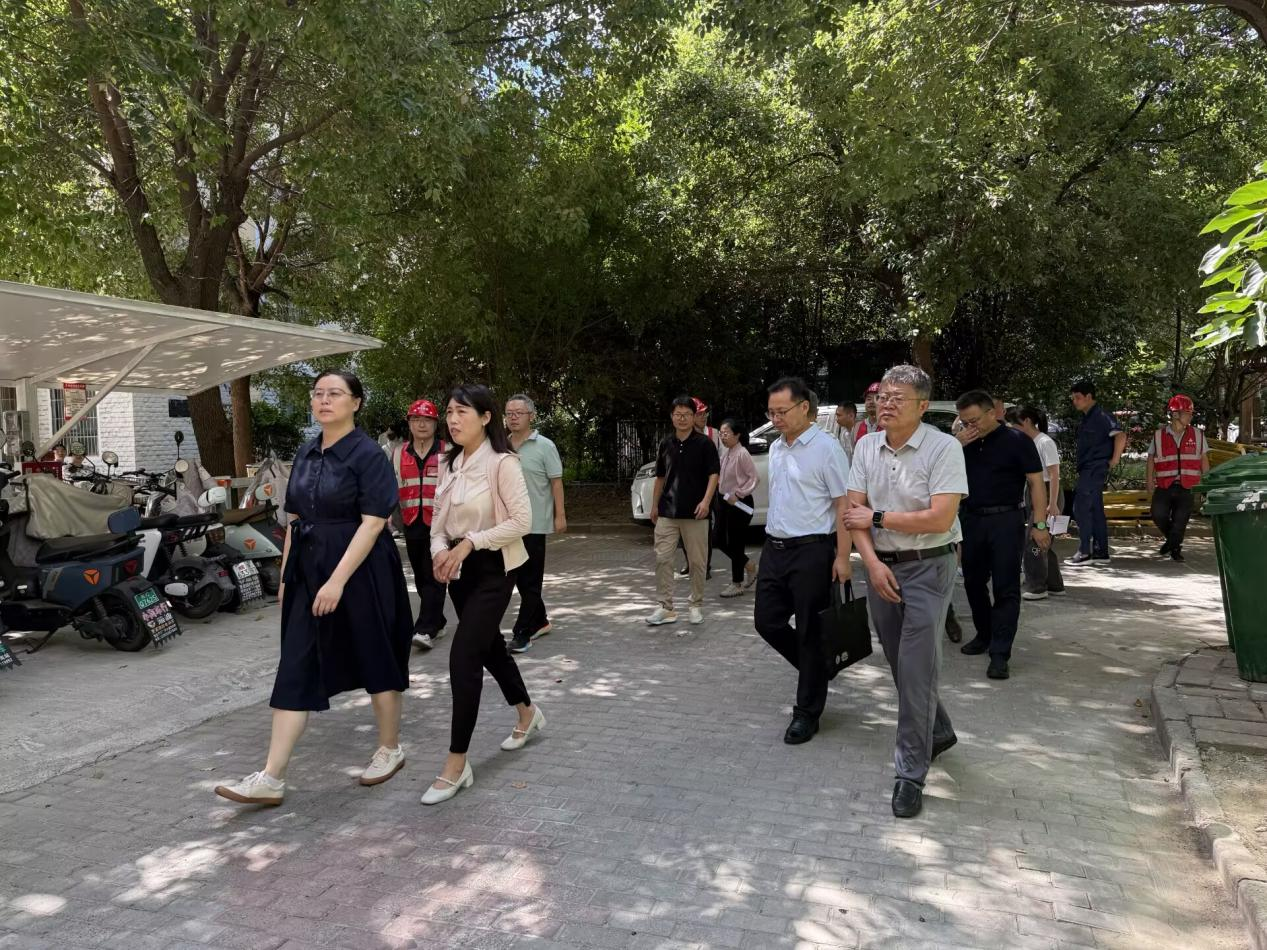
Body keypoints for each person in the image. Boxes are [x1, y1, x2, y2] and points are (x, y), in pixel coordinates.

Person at [214, 371, 414, 806]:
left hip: (362, 569)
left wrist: (338, 581)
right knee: (296, 663)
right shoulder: (306, 451)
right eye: (318, 393)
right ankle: (272, 777)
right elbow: (296, 519)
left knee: (375, 652)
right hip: (309, 569)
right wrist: (288, 577)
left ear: (356, 403)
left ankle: (390, 747)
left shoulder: (368, 455)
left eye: (335, 393)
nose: (324, 400)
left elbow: (373, 523)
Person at [843, 364, 966, 819]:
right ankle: (940, 730)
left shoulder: (944, 447)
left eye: (898, 398)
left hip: (929, 567)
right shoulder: (866, 445)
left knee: (916, 669)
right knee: (901, 663)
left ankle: (910, 773)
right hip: (882, 568)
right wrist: (872, 563)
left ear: (922, 405)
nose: (887, 405)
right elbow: (852, 513)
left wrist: (878, 518)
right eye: (883, 397)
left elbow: (939, 518)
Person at [423, 384, 542, 805]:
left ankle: (457, 763)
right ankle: (527, 712)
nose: (453, 420)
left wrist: (470, 543)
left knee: (464, 657)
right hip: (459, 571)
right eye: (449, 412)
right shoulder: (449, 462)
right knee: (490, 648)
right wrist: (440, 551)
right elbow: (437, 522)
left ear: (486, 417)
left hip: (494, 569)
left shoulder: (502, 463)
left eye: (462, 412)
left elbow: (522, 521)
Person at [754, 377, 852, 745]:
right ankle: (819, 668)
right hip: (775, 548)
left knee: (811, 630)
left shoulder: (827, 449)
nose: (775, 418)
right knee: (767, 621)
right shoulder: (777, 448)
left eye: (782, 411)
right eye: (771, 412)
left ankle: (807, 712)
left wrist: (842, 556)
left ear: (804, 407)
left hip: (812, 550)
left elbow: (843, 504)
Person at [952, 391, 1049, 680]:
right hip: (971, 519)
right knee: (973, 582)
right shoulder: (961, 444)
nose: (971, 426)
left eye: (974, 420)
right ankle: (984, 634)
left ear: (993, 412)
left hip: (1006, 519)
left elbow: (1036, 483)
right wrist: (956, 443)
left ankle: (1000, 652)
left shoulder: (1017, 440)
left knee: (1006, 587)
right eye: (965, 422)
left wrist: (1040, 524)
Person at [648, 397, 720, 626]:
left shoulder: (704, 444)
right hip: (667, 512)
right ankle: (666, 607)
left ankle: (696, 604)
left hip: (696, 513)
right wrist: (654, 505)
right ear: (672, 417)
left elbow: (714, 474)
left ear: (694, 416)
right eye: (678, 414)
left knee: (698, 563)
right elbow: (660, 477)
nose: (682, 418)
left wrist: (706, 502)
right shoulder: (665, 443)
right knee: (662, 558)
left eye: (687, 414)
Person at [505, 394, 567, 653]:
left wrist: (560, 515)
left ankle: (522, 633)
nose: (513, 417)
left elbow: (556, 482)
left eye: (519, 413)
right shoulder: (501, 445)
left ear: (531, 416)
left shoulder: (545, 446)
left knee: (530, 580)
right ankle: (540, 620)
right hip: (508, 524)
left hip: (535, 523)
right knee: (520, 579)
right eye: (509, 413)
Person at [391, 398, 449, 650]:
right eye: (416, 419)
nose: (421, 424)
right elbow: (391, 487)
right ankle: (438, 620)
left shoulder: (448, 451)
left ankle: (425, 629)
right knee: (421, 575)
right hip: (412, 522)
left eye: (427, 420)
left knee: (436, 574)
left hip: (441, 524)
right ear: (409, 423)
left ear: (436, 424)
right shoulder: (398, 453)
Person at [1067, 381, 1125, 566]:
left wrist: (1114, 459)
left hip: (1094, 467)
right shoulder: (1087, 417)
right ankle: (1101, 552)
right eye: (1073, 398)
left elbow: (1120, 435)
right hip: (1089, 468)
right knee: (1096, 509)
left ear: (1089, 396)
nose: (1075, 401)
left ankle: (1085, 551)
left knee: (1081, 507)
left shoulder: (1101, 415)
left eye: (1078, 397)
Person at [1146, 394, 1209, 563]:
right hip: (1165, 484)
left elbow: (1203, 459)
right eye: (1187, 413)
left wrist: (1206, 482)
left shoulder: (1197, 435)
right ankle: (1173, 542)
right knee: (1157, 514)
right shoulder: (1159, 435)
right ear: (1175, 414)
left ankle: (1174, 548)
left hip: (1188, 486)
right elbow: (1151, 458)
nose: (1190, 416)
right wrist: (1149, 480)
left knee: (1180, 521)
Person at [1017, 406, 1065, 600]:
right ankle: (1054, 585)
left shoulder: (1045, 442)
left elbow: (1054, 474)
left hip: (1047, 493)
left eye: (1014, 424)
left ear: (1026, 421)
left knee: (1034, 541)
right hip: (1035, 492)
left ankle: (1037, 586)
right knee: (1044, 542)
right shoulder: (1030, 442)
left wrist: (1052, 503)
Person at [715, 419, 759, 597]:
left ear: (737, 435)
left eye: (726, 433)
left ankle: (737, 583)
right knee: (718, 539)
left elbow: (754, 478)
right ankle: (749, 565)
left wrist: (739, 494)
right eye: (721, 433)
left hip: (739, 504)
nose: (722, 437)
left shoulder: (742, 453)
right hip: (724, 501)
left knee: (735, 542)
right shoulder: (727, 453)